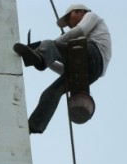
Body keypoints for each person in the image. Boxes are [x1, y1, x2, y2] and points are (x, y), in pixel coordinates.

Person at [13, 4, 112, 133]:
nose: (69, 24)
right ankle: (33, 126)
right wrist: (47, 60)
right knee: (51, 93)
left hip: (94, 55)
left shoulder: (91, 16)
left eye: (69, 18)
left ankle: (40, 56)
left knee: (49, 44)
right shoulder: (82, 44)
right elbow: (64, 70)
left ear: (81, 12)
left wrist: (51, 45)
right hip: (92, 73)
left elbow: (79, 31)